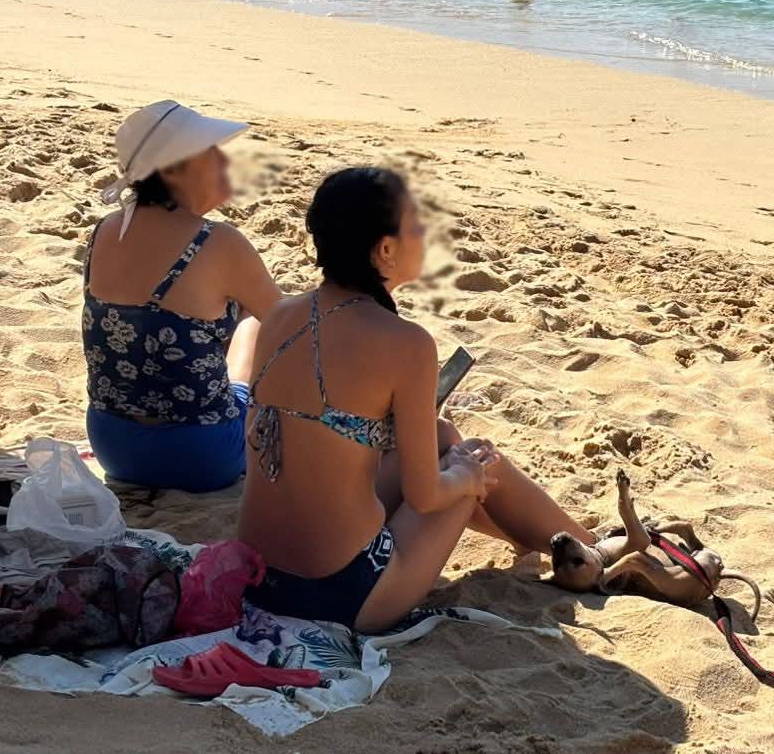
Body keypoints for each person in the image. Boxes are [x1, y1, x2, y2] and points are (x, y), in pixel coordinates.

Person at [237, 167, 594, 632]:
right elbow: (426, 497)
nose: (425, 233)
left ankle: (573, 545)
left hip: (256, 578)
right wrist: (466, 478)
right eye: (416, 225)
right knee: (475, 461)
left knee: (442, 436)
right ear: (385, 249)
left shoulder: (280, 314)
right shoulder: (407, 343)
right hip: (342, 595)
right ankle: (592, 550)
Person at [83, 101, 282, 493]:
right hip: (202, 455)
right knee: (255, 318)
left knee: (206, 314)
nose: (225, 161)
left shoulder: (106, 230)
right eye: (211, 152)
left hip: (112, 445)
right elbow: (292, 328)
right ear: (173, 167)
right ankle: (234, 390)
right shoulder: (216, 241)